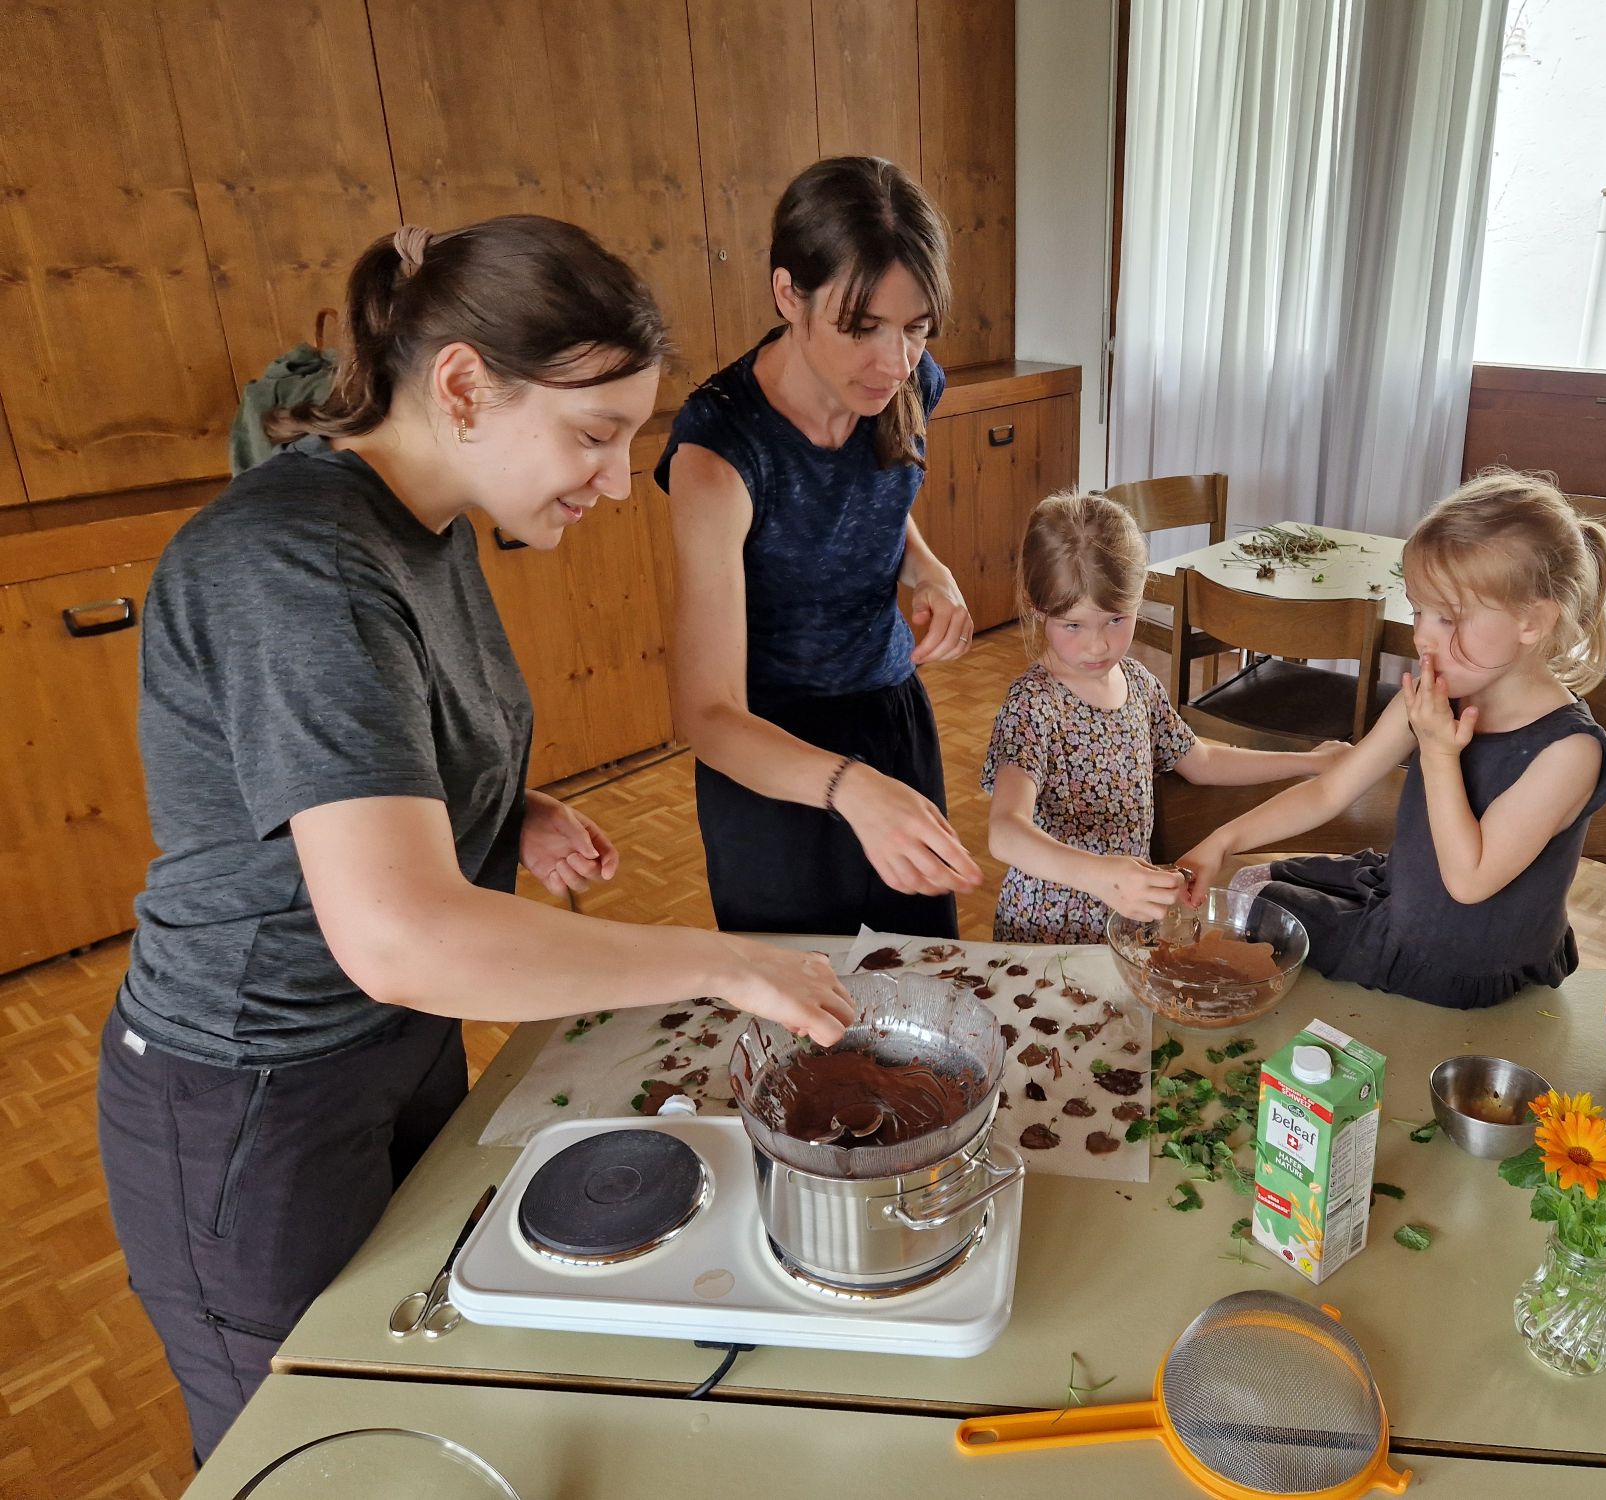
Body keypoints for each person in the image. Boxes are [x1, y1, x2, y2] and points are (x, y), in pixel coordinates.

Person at [98, 216, 854, 1462]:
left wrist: (504, 811)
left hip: (391, 1049)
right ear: (461, 387)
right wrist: (724, 963)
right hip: (248, 1096)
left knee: (426, 1383)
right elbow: (398, 934)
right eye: (595, 435)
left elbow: (372, 761)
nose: (618, 482)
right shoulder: (295, 564)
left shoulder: (419, 528)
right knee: (314, 1451)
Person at [661, 157, 982, 940]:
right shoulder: (721, 453)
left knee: (921, 968)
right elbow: (706, 714)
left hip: (890, 714)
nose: (895, 360)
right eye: (862, 328)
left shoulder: (907, 385)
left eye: (916, 328)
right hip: (770, 752)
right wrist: (850, 788)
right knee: (807, 1013)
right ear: (787, 296)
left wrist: (926, 565)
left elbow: (873, 493)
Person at [1178, 469, 1606, 1009]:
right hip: (1407, 893)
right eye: (1418, 610)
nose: (1421, 635)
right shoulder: (1443, 692)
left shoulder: (1571, 752)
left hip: (1453, 959)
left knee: (1249, 904)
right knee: (1249, 876)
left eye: (1447, 617)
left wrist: (1439, 753)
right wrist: (1222, 838)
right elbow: (1330, 791)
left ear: (1533, 621)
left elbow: (1469, 880)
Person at [983, 491, 1346, 944]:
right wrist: (1099, 876)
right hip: (1047, 936)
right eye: (1073, 625)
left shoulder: (1138, 683)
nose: (1097, 646)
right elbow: (1004, 831)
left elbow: (1202, 762)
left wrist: (1308, 762)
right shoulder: (1033, 704)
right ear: (1039, 610)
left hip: (1127, 928)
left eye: (1116, 620)